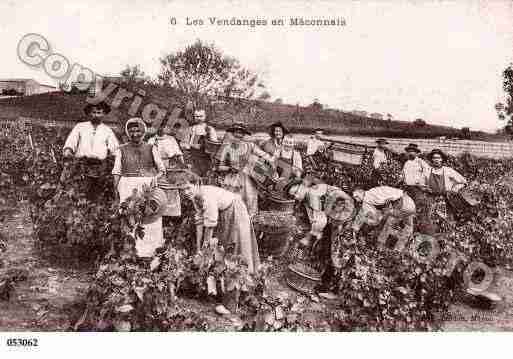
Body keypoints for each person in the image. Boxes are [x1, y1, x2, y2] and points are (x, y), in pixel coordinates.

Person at [171, 170, 261, 273]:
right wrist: (198, 248)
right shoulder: (195, 197)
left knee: (236, 241)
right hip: (224, 211)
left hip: (236, 210)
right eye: (182, 190)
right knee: (222, 243)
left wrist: (204, 252)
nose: (185, 193)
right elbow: (200, 221)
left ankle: (242, 273)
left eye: (188, 188)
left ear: (197, 184)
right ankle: (224, 270)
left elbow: (209, 227)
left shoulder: (207, 197)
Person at [284, 178, 355, 291]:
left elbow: (320, 221)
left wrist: (310, 237)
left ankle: (329, 286)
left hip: (343, 218)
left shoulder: (312, 194)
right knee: (327, 248)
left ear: (301, 186)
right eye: (293, 196)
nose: (296, 196)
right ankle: (323, 280)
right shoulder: (311, 193)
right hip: (339, 215)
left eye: (296, 192)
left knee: (335, 251)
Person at [112, 118, 166, 258]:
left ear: (143, 132)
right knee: (129, 218)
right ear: (127, 132)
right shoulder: (121, 149)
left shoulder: (151, 148)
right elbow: (117, 171)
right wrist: (116, 191)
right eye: (131, 131)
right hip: (127, 187)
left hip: (146, 187)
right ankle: (130, 252)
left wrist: (154, 179)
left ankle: (150, 253)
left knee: (149, 218)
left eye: (138, 130)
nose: (135, 133)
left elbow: (162, 170)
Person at [62, 101, 120, 200]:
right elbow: (71, 141)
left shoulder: (107, 130)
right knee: (78, 191)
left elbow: (115, 149)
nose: (96, 115)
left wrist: (115, 158)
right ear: (89, 113)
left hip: (99, 167)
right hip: (82, 165)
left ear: (103, 114)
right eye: (93, 112)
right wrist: (68, 150)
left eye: (99, 113)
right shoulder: (80, 127)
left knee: (96, 194)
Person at [217, 122, 273, 217]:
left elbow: (266, 157)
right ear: (232, 133)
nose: (238, 135)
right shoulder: (226, 147)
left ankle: (250, 226)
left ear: (244, 134)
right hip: (232, 180)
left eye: (241, 133)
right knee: (232, 205)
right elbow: (220, 166)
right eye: (236, 132)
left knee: (250, 202)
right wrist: (229, 168)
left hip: (248, 178)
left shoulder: (250, 146)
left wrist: (269, 166)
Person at [147, 121, 185, 221]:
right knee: (157, 191)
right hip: (155, 169)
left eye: (163, 126)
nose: (160, 128)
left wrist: (183, 166)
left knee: (171, 191)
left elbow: (178, 154)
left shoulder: (171, 139)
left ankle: (172, 218)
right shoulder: (151, 140)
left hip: (170, 168)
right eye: (157, 126)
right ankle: (158, 215)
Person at [426, 149, 470, 222]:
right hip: (431, 199)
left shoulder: (448, 170)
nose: (436, 160)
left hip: (445, 200)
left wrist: (455, 188)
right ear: (431, 159)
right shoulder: (428, 170)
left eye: (439, 158)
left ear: (442, 159)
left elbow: (464, 181)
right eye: (434, 158)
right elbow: (421, 183)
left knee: (446, 221)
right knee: (431, 221)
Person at [401, 143, 431, 230]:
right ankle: (407, 226)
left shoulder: (420, 162)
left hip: (417, 188)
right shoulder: (406, 163)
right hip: (407, 188)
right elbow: (403, 175)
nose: (411, 153)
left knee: (418, 207)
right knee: (406, 207)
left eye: (413, 151)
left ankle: (419, 227)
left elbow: (428, 171)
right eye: (409, 151)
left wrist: (421, 181)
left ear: (417, 153)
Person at [185, 109, 218, 177]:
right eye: (196, 116)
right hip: (193, 157)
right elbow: (185, 144)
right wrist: (190, 145)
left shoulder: (210, 129)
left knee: (205, 177)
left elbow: (214, 145)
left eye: (201, 116)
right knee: (192, 177)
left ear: (205, 116)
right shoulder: (190, 129)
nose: (199, 118)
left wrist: (205, 145)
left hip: (205, 158)